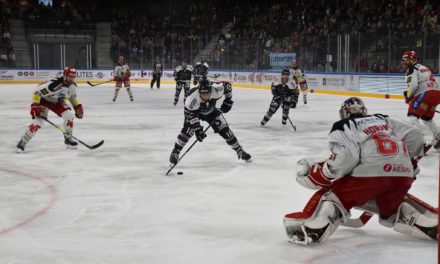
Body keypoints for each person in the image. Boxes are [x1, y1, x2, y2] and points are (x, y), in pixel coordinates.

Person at [283, 97, 436, 245]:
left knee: (333, 196)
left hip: (369, 175)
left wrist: (325, 173)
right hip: (402, 175)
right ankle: (425, 223)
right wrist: (408, 162)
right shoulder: (382, 119)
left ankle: (315, 227)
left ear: (344, 112)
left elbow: (346, 157)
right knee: (392, 209)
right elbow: (415, 135)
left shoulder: (343, 125)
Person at [169, 77, 251, 164]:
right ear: (199, 91)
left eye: (207, 93)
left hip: (211, 111)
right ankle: (176, 151)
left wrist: (228, 100)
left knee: (225, 130)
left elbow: (228, 87)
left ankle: (239, 150)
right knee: (188, 131)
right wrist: (197, 128)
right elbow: (190, 115)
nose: (205, 96)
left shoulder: (216, 90)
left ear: (211, 90)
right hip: (195, 113)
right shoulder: (191, 99)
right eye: (202, 93)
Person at [16, 67, 84, 151]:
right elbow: (37, 92)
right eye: (70, 76)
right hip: (43, 100)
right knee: (39, 122)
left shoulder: (72, 86)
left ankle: (68, 139)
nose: (72, 79)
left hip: (57, 101)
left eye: (73, 77)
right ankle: (23, 142)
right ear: (65, 76)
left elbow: (72, 97)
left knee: (69, 115)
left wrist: (77, 107)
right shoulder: (54, 85)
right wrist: (35, 104)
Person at [401, 50, 440, 149]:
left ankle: (418, 142)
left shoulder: (411, 69)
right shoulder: (424, 67)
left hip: (425, 94)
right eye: (404, 60)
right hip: (436, 94)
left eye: (407, 60)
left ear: (414, 60)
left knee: (412, 117)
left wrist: (409, 96)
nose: (405, 62)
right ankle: (438, 137)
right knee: (427, 119)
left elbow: (413, 85)